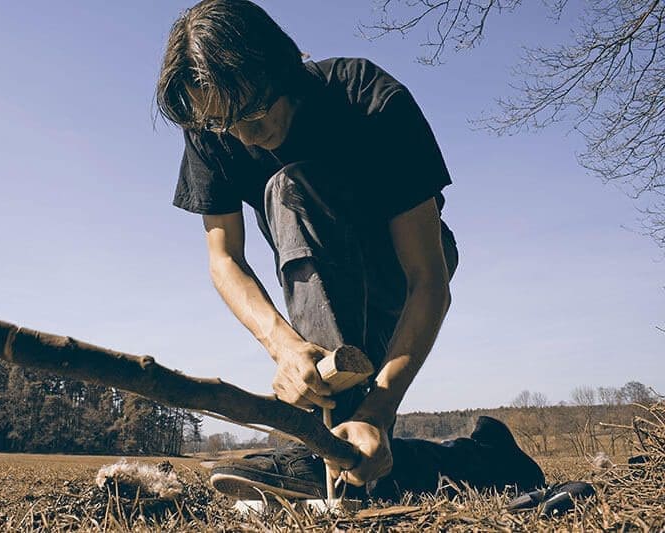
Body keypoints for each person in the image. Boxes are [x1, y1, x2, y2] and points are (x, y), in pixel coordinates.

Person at [156, 0, 544, 500]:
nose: (243, 135)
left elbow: (428, 279)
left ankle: (322, 456)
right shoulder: (211, 123)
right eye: (222, 123)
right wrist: (284, 345)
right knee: (363, 462)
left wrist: (379, 411)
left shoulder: (369, 100)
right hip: (316, 268)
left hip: (403, 270)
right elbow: (224, 258)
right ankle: (485, 460)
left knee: (289, 189)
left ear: (281, 64)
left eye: (252, 110)